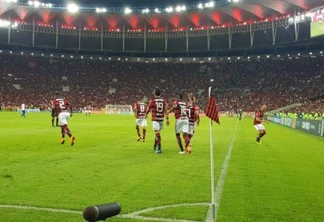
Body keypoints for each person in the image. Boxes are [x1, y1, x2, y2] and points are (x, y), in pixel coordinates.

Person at [145, 89, 169, 154]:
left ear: (155, 94)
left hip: (155, 119)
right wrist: (167, 119)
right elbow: (166, 110)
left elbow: (148, 109)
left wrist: (146, 115)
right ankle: (155, 146)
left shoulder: (152, 100)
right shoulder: (163, 101)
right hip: (161, 119)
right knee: (157, 133)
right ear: (160, 94)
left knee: (157, 134)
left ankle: (159, 149)